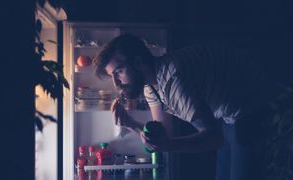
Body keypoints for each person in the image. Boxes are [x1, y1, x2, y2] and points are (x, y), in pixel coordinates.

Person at [93, 34, 268, 180]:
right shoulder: (151, 87)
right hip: (226, 117)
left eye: (118, 72)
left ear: (138, 63)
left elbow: (213, 138)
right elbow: (163, 133)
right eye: (112, 76)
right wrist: (130, 124)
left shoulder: (173, 83)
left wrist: (167, 145)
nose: (116, 83)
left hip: (250, 108)